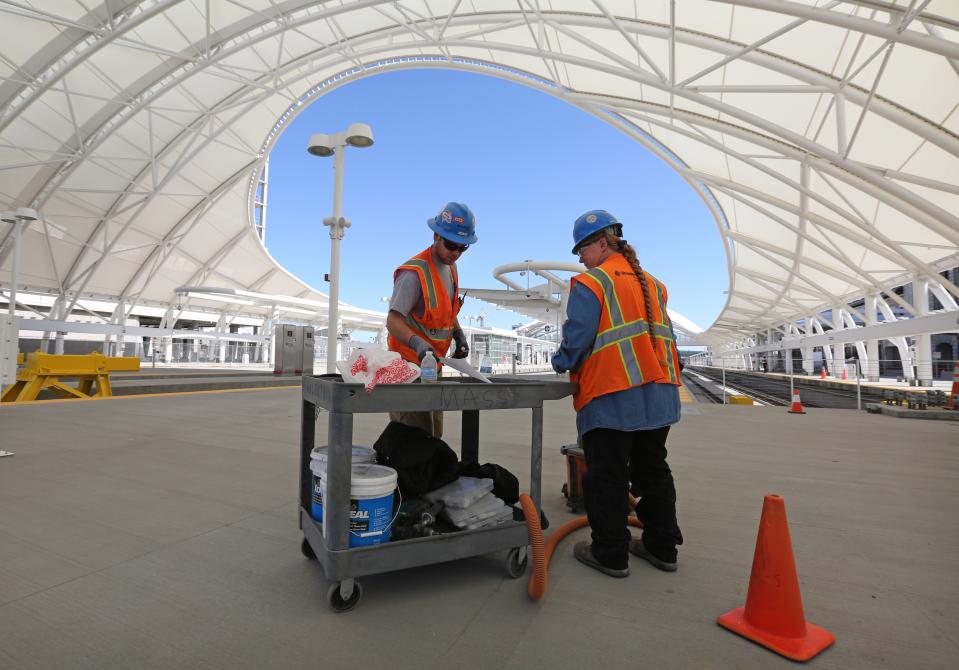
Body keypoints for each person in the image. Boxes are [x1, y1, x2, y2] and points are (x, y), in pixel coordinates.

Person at [552, 210, 683, 578]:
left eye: (582, 249)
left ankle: (610, 553)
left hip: (613, 393)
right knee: (653, 471)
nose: (580, 258)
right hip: (658, 394)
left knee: (607, 476)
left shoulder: (593, 283)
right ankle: (662, 548)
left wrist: (560, 360)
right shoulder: (654, 285)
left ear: (601, 243)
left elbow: (578, 338)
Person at [385, 202, 476, 438]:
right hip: (407, 369)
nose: (455, 252)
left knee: (434, 437)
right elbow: (393, 321)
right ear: (436, 236)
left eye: (462, 247)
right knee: (412, 442)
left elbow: (446, 309)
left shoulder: (450, 268)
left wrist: (458, 334)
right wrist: (417, 343)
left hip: (431, 370)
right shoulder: (414, 274)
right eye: (450, 245)